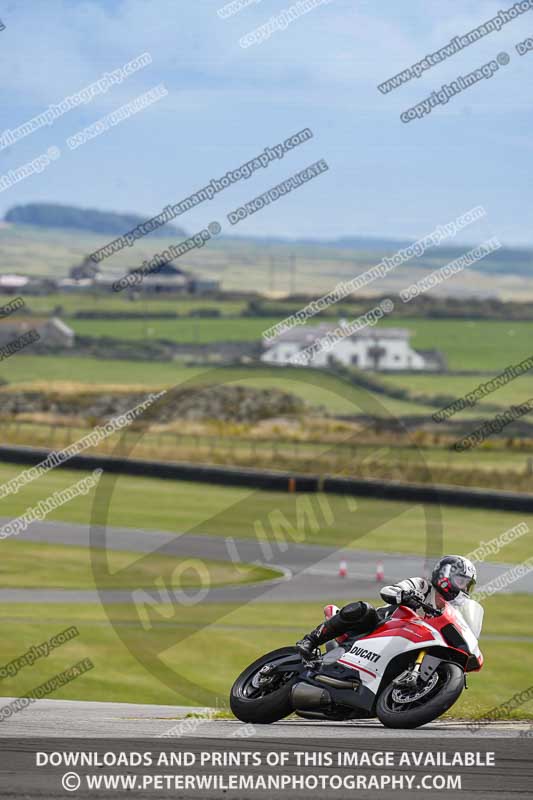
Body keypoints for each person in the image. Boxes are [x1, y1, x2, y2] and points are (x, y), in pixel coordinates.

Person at [296, 554, 478, 659]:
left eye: (466, 584)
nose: (463, 588)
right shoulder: (423, 586)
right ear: (445, 574)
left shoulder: (449, 611)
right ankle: (310, 640)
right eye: (461, 581)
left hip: (403, 645)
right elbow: (389, 590)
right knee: (364, 609)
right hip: (379, 627)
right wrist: (404, 595)